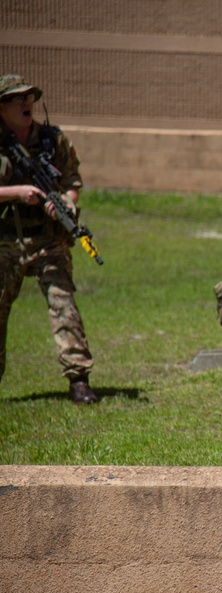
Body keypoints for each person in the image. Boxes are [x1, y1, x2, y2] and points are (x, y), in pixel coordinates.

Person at [0, 74, 98, 404]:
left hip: (47, 240)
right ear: (2, 107)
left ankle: (79, 379)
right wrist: (16, 192)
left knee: (64, 305)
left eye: (29, 98)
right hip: (5, 242)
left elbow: (72, 180)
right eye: (17, 99)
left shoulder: (52, 141)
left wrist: (67, 201)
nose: (26, 103)